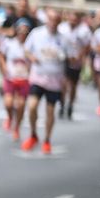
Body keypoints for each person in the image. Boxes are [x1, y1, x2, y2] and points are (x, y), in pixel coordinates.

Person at [22, 11, 66, 154]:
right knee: (32, 106)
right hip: (38, 77)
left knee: (50, 111)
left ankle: (47, 140)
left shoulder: (63, 39)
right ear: (47, 20)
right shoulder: (36, 33)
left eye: (56, 20)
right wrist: (32, 57)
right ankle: (33, 134)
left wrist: (62, 56)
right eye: (51, 19)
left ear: (59, 22)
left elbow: (73, 58)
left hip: (55, 80)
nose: (53, 22)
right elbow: (26, 50)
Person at [0, 17, 33, 134]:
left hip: (24, 78)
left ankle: (17, 126)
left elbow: (35, 60)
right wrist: (3, 67)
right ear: (16, 30)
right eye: (20, 30)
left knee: (21, 105)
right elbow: (1, 55)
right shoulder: (9, 43)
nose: (22, 33)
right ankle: (10, 117)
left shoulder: (30, 45)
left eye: (25, 31)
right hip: (11, 77)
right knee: (8, 103)